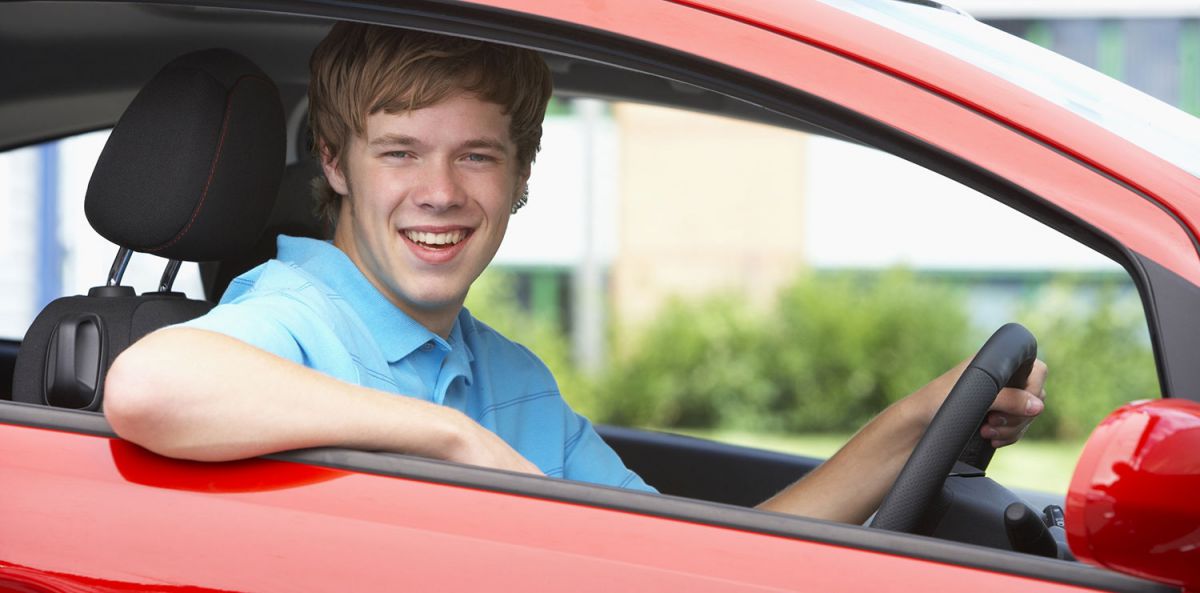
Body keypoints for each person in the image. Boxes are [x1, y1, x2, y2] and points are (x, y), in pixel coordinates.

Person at [104, 23, 1047, 525]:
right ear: (337, 167)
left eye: (477, 156)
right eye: (400, 153)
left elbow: (676, 554)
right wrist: (449, 440)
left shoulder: (508, 375)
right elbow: (151, 384)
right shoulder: (300, 309)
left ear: (521, 181)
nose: (440, 192)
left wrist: (917, 420)